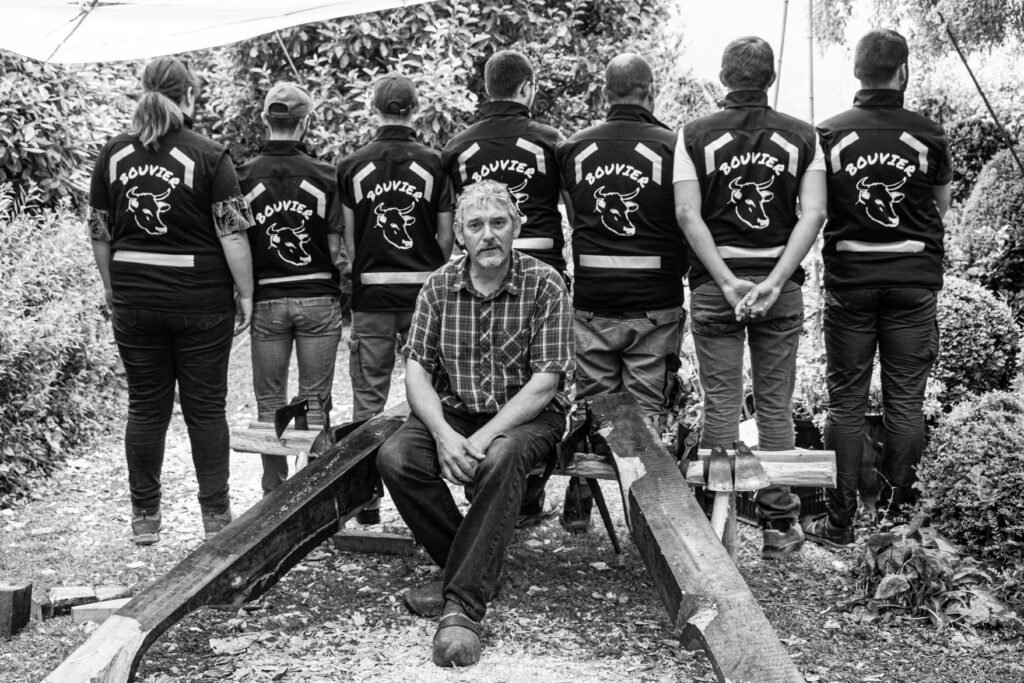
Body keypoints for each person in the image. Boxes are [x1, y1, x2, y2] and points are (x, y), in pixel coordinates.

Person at [376, 180, 573, 668]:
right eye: (476, 225)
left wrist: (480, 438)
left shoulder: (545, 282)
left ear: (517, 228)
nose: (488, 235)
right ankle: (475, 569)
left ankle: (461, 609)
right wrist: (445, 434)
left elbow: (546, 382)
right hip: (459, 407)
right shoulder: (440, 284)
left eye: (499, 224)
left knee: (501, 455)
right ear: (460, 235)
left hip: (527, 414)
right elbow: (416, 370)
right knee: (397, 457)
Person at [87, 56, 254, 544]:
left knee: (145, 407)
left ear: (143, 92)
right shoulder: (209, 155)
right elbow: (233, 235)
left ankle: (145, 517)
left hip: (136, 300)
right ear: (190, 96)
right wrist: (246, 293)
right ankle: (216, 517)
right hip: (200, 301)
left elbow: (99, 233)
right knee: (205, 409)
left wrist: (113, 286)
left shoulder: (113, 154)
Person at [674, 36, 827, 559]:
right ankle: (779, 526)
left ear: (723, 77)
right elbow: (813, 214)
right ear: (770, 78)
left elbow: (688, 215)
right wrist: (775, 281)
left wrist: (725, 281)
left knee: (720, 402)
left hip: (718, 290)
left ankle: (718, 528)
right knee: (775, 407)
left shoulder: (692, 135)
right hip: (778, 292)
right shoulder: (804, 136)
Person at [803, 29, 951, 547]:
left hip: (850, 284)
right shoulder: (929, 133)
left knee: (845, 402)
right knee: (906, 402)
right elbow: (940, 207)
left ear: (857, 72)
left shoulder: (828, 134)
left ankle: (840, 523)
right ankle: (895, 523)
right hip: (912, 284)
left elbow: (815, 209)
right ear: (903, 71)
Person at [555, 53, 685, 532]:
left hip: (593, 301)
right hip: (656, 303)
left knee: (594, 404)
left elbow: (573, 214)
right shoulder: (675, 146)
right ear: (650, 91)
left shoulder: (572, 148)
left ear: (605, 93)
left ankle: (579, 503)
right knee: (646, 414)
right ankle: (650, 524)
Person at [441, 48, 568, 526]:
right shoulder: (552, 142)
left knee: (482, 378)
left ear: (486, 90)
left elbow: (448, 225)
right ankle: (522, 497)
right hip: (544, 279)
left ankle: (499, 492)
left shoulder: (457, 148)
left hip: (479, 278)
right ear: (528, 88)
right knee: (533, 384)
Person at [336, 73, 454, 524]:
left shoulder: (351, 166)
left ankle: (367, 502)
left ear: (373, 108)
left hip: (370, 297)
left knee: (368, 398)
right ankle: (431, 497)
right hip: (425, 297)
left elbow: (348, 240)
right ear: (417, 109)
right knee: (434, 396)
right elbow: (446, 237)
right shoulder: (435, 163)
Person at [236, 82, 344, 495]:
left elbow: (238, 242)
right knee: (314, 402)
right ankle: (314, 490)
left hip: (267, 298)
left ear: (265, 119)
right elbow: (335, 246)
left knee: (270, 402)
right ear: (307, 121)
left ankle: (273, 488)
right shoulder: (327, 175)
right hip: (318, 296)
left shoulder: (243, 177)